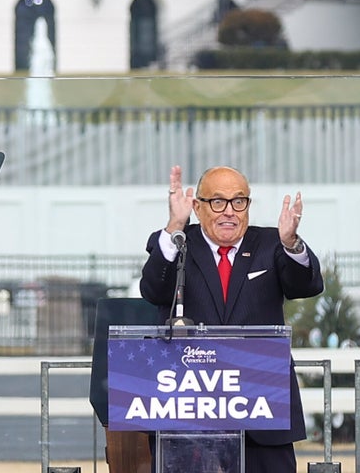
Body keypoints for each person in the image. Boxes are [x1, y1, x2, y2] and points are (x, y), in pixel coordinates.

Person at [139, 165, 324, 473]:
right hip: (192, 409)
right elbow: (153, 289)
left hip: (262, 407)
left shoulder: (271, 243)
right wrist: (174, 225)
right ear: (197, 207)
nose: (230, 212)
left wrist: (292, 243)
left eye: (239, 202)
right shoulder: (180, 243)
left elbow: (306, 285)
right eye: (218, 202)